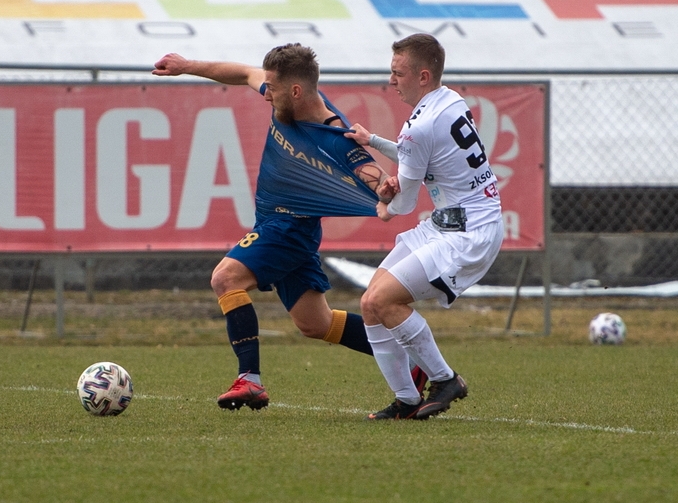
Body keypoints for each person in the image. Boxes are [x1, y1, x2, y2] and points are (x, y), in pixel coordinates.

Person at [152, 44, 426, 410]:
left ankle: (249, 380)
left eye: (273, 89)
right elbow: (242, 73)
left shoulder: (335, 138)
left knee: (226, 278)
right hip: (278, 224)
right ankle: (414, 368)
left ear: (295, 91)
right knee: (316, 324)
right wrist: (187, 66)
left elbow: (372, 174)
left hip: (288, 228)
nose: (267, 95)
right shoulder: (284, 97)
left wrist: (386, 188)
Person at [345, 33, 504, 419]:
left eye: (398, 73)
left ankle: (445, 379)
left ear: (423, 75)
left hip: (467, 233)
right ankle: (407, 400)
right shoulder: (448, 100)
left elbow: (404, 202)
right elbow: (421, 154)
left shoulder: (417, 127)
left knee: (384, 301)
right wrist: (374, 141)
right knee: (370, 304)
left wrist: (384, 204)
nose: (391, 80)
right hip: (448, 223)